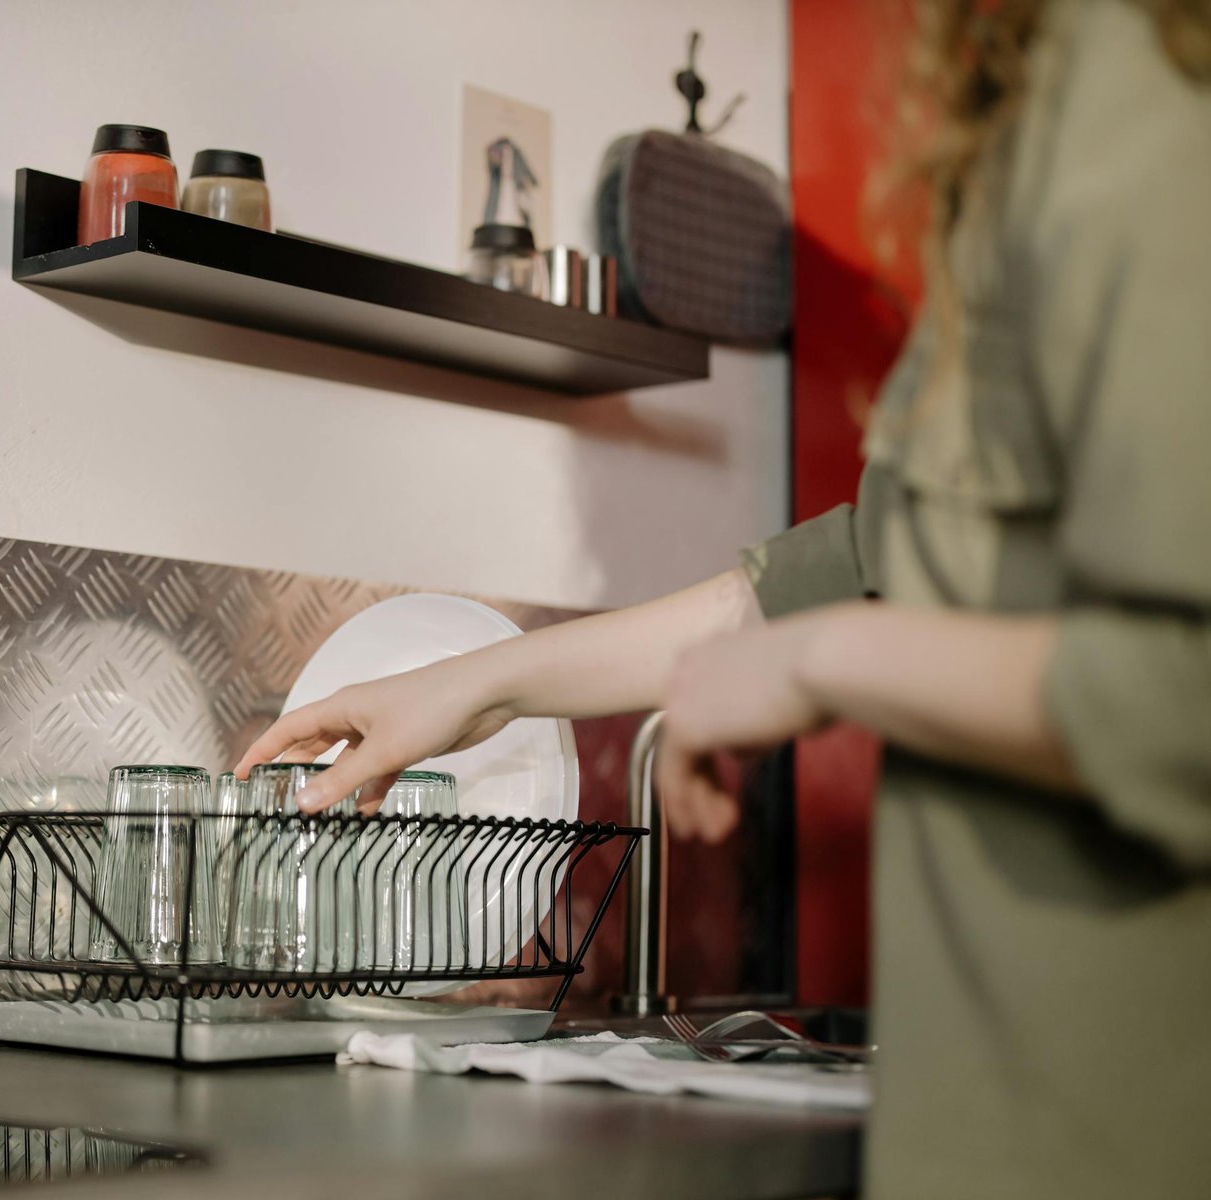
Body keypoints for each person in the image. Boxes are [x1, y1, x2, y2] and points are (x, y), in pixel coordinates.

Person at [237, 1, 1211, 1195]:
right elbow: (833, 573)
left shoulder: (1146, 81)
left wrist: (825, 667)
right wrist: (472, 687)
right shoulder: (1030, 97)